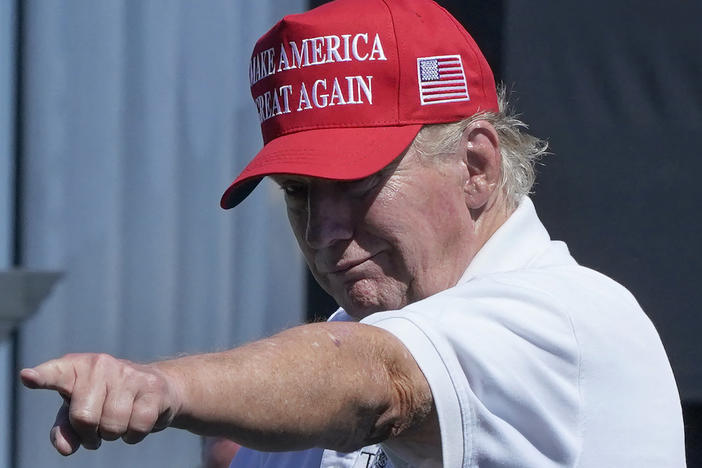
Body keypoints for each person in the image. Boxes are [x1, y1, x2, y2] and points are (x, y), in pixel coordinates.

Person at [20, 0, 686, 466]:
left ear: (477, 167)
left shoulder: (563, 319)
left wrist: (169, 389)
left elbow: (381, 383)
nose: (323, 231)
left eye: (358, 183)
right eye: (299, 194)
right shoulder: (309, 384)